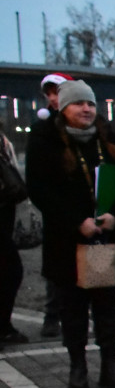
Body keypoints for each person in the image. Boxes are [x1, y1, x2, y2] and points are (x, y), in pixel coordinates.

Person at [25, 79, 115, 388]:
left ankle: (110, 366)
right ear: (63, 108)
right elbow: (39, 189)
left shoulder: (108, 138)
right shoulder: (46, 140)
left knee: (107, 306)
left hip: (105, 241)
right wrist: (74, 221)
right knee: (73, 308)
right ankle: (77, 369)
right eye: (79, 103)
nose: (86, 109)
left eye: (90, 103)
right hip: (69, 242)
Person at [30, 72, 75, 338]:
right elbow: (37, 181)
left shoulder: (88, 127)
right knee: (57, 268)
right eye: (50, 93)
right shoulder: (43, 131)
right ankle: (52, 314)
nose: (54, 98)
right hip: (58, 214)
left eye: (57, 91)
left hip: (86, 210)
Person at [0, 123, 29, 347]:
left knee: (9, 271)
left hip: (5, 213)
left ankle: (4, 326)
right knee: (11, 270)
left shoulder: (3, 141)